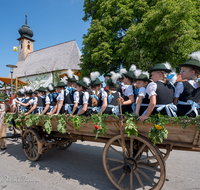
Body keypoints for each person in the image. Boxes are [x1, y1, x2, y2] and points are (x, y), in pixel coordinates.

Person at [174, 50, 200, 117]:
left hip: (183, 111)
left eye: (183, 71)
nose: (180, 73)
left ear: (192, 72)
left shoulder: (181, 84)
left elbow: (175, 100)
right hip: (196, 112)